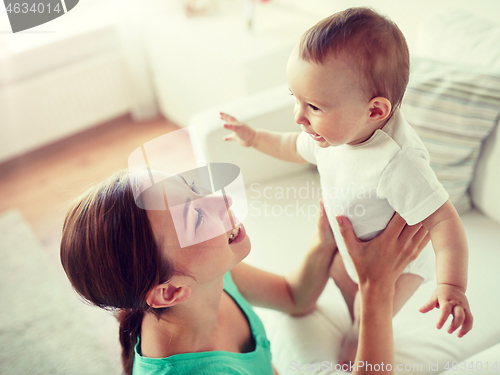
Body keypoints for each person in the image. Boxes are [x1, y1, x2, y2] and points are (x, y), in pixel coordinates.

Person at [221, 6, 473, 365]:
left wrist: (451, 287)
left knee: (365, 310)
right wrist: (254, 137)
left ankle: (359, 338)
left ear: (374, 111)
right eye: (295, 99)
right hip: (350, 243)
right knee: (341, 278)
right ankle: (350, 303)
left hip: (399, 268)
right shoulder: (334, 133)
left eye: (314, 106)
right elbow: (292, 145)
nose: (299, 117)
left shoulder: (397, 162)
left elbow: (445, 223)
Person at [61, 168, 430, 374]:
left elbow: (293, 297)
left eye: (193, 188)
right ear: (170, 292)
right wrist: (377, 286)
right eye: (197, 216)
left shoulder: (207, 282)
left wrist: (325, 242)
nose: (220, 199)